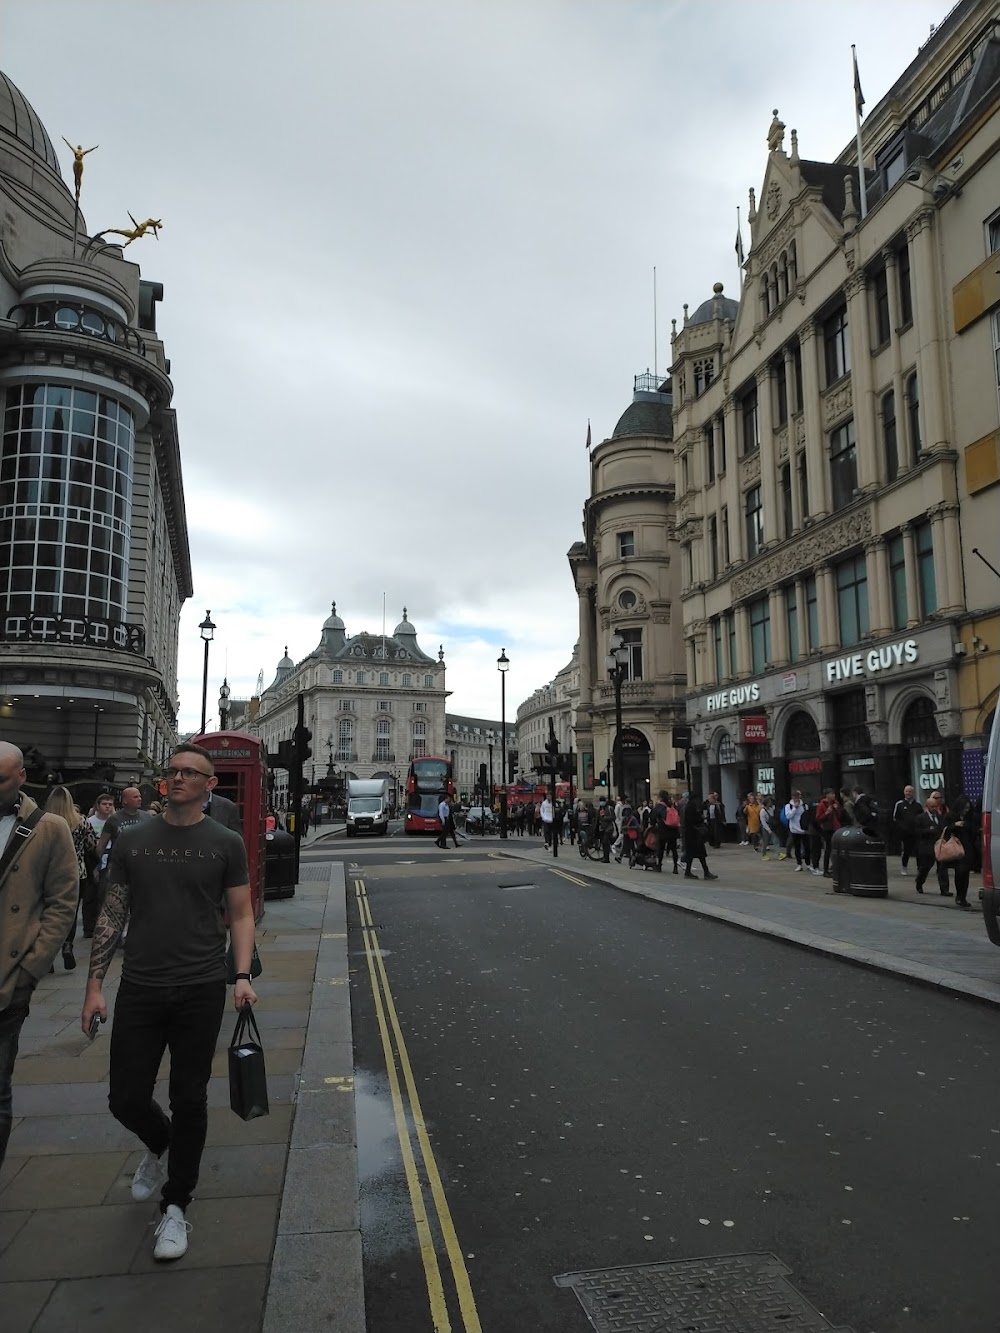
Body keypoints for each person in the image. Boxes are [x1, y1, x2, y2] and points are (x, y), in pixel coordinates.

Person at [81, 743, 257, 1262]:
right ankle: (161, 1144)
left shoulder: (225, 843)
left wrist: (241, 974)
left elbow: (241, 914)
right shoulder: (134, 840)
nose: (176, 778)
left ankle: (176, 1205)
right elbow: (111, 915)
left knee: (191, 1097)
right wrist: (94, 985)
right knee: (124, 1097)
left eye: (189, 773)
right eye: (172, 771)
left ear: (209, 785)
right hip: (140, 985)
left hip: (200, 986)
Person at [0, 743, 78, 1169]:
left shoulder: (49, 829)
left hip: (9, 977)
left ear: (20, 778)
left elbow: (64, 903)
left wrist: (31, 968)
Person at [44, 787, 97, 970]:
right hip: (76, 872)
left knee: (48, 912)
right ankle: (67, 944)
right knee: (71, 912)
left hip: (49, 872)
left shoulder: (43, 821)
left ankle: (48, 953)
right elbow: (92, 845)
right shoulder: (81, 821)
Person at [914, 790, 951, 896]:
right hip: (927, 847)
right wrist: (929, 830)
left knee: (942, 867)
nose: (934, 809)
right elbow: (917, 832)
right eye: (932, 807)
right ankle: (919, 882)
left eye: (936, 807)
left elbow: (944, 829)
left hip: (939, 846)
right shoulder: (921, 818)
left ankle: (944, 889)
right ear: (927, 806)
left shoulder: (940, 818)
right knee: (925, 867)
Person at [682, 797, 718, 880]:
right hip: (694, 835)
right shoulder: (691, 808)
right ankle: (705, 872)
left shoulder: (688, 807)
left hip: (691, 835)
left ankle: (689, 872)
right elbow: (695, 819)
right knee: (700, 855)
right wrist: (701, 818)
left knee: (693, 855)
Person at [892, 785, 921, 876]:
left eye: (910, 791)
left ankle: (919, 868)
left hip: (916, 832)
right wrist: (902, 827)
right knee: (906, 850)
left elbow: (921, 817)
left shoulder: (918, 805)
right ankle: (904, 867)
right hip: (905, 833)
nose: (908, 793)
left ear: (913, 793)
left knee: (918, 851)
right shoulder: (899, 804)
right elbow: (895, 818)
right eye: (906, 791)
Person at [815, 789, 841, 877]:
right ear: (827, 795)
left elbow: (839, 816)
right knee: (828, 849)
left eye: (834, 794)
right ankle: (826, 870)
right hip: (827, 829)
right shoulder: (822, 804)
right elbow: (818, 818)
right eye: (832, 794)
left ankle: (834, 867)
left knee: (836, 849)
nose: (834, 795)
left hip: (836, 828)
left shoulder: (835, 803)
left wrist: (837, 809)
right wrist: (826, 813)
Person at [781, 792, 807, 870]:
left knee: (807, 847)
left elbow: (807, 815)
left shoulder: (804, 805)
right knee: (797, 847)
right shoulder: (788, 806)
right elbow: (788, 816)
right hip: (794, 830)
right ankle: (799, 864)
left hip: (804, 829)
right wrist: (795, 808)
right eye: (795, 797)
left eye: (798, 797)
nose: (796, 799)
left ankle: (808, 863)